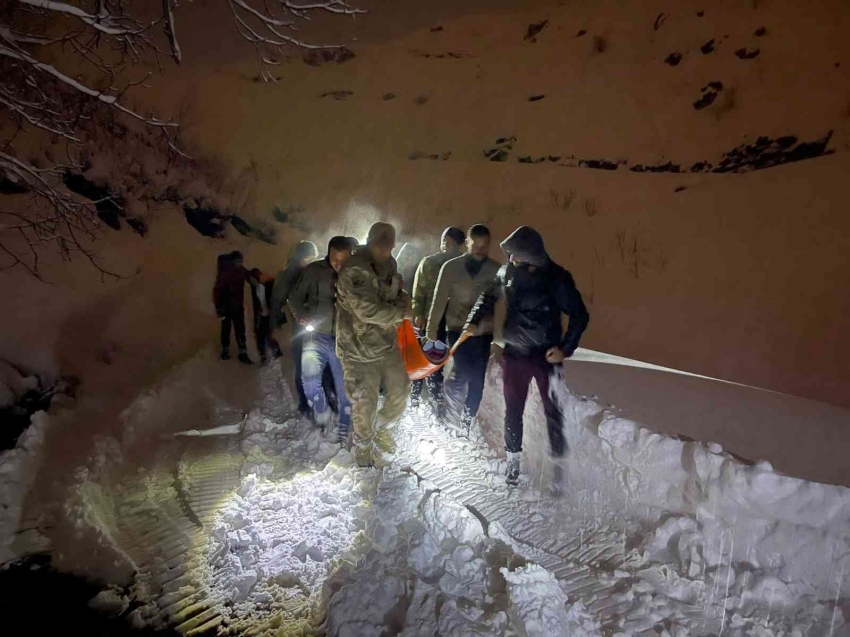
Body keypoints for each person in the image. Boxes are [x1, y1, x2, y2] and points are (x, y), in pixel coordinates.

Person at [465, 226, 589, 487]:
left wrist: (565, 348)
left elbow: (579, 314)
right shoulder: (507, 272)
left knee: (553, 411)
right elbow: (487, 297)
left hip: (547, 356)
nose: (510, 260)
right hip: (515, 354)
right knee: (513, 410)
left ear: (531, 254)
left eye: (515, 255)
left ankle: (558, 467)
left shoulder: (557, 278)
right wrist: (472, 321)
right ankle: (513, 461)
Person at [336, 222, 411, 467]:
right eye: (380, 246)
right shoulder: (354, 269)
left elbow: (396, 294)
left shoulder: (390, 265)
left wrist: (406, 302)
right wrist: (403, 312)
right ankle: (364, 449)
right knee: (363, 405)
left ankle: (381, 427)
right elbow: (368, 311)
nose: (384, 252)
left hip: (385, 345)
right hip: (357, 350)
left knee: (400, 392)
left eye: (389, 247)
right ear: (369, 242)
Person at [427, 224, 500, 432]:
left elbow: (503, 302)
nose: (479, 249)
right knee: (463, 372)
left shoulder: (495, 270)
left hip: (484, 332)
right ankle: (450, 413)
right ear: (467, 243)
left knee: (477, 379)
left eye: (484, 246)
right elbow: (439, 299)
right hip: (456, 328)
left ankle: (467, 419)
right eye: (475, 245)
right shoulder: (451, 268)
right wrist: (432, 329)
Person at [289, 237, 353, 441]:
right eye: (335, 259)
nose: (339, 265)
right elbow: (294, 298)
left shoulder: (356, 274)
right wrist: (301, 315)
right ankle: (322, 412)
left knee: (345, 389)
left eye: (343, 260)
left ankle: (344, 427)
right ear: (328, 254)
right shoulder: (314, 271)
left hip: (343, 341)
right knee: (309, 381)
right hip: (316, 336)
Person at [410, 227, 465, 407]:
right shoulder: (429, 263)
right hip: (430, 318)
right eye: (443, 241)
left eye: (449, 243)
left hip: (452, 321)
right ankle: (416, 395)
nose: (444, 246)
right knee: (424, 355)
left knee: (439, 358)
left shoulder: (463, 267)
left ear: (460, 246)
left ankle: (436, 394)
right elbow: (419, 291)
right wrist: (418, 313)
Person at [271, 241, 319, 413]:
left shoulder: (313, 272)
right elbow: (278, 299)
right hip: (299, 324)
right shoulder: (288, 275)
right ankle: (304, 401)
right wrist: (275, 321)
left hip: (315, 323)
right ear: (301, 257)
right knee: (301, 361)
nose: (312, 261)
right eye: (309, 258)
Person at [213, 251, 252, 364]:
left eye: (241, 261)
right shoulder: (225, 272)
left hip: (238, 305)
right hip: (226, 306)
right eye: (238, 261)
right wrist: (218, 307)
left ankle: (242, 352)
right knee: (226, 328)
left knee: (240, 327)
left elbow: (248, 275)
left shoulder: (240, 270)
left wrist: (256, 276)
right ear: (233, 260)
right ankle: (225, 350)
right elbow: (217, 289)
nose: (240, 263)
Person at [248, 268, 283, 364]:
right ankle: (265, 354)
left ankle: (276, 351)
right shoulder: (255, 288)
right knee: (261, 335)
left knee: (268, 335)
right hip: (262, 315)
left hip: (269, 314)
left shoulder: (270, 285)